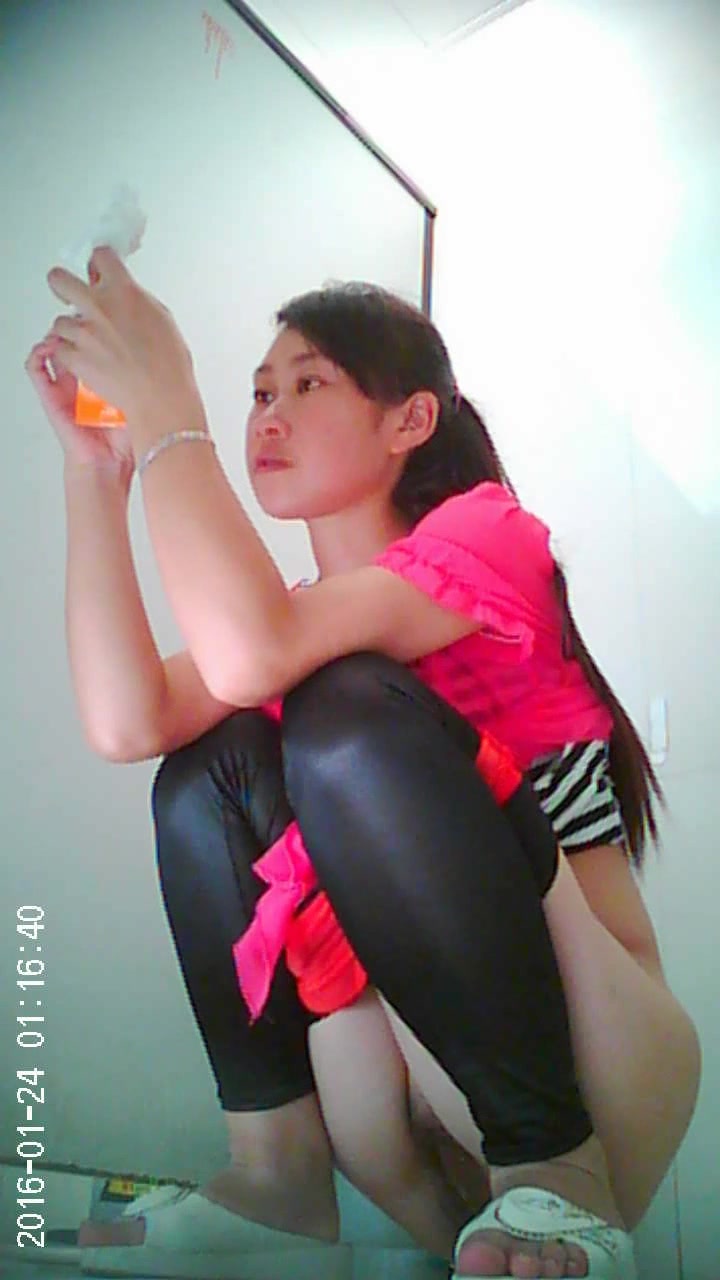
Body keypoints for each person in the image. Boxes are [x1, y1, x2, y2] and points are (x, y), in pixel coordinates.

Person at [25, 248, 701, 1280]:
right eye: (259, 392)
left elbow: (254, 652)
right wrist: (96, 467)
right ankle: (277, 1176)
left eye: (308, 384)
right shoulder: (300, 622)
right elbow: (129, 720)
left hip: (594, 1062)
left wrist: (168, 408)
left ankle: (557, 1171)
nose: (268, 415)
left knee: (339, 710)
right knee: (213, 760)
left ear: (410, 421)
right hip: (403, 1091)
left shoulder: (490, 533)